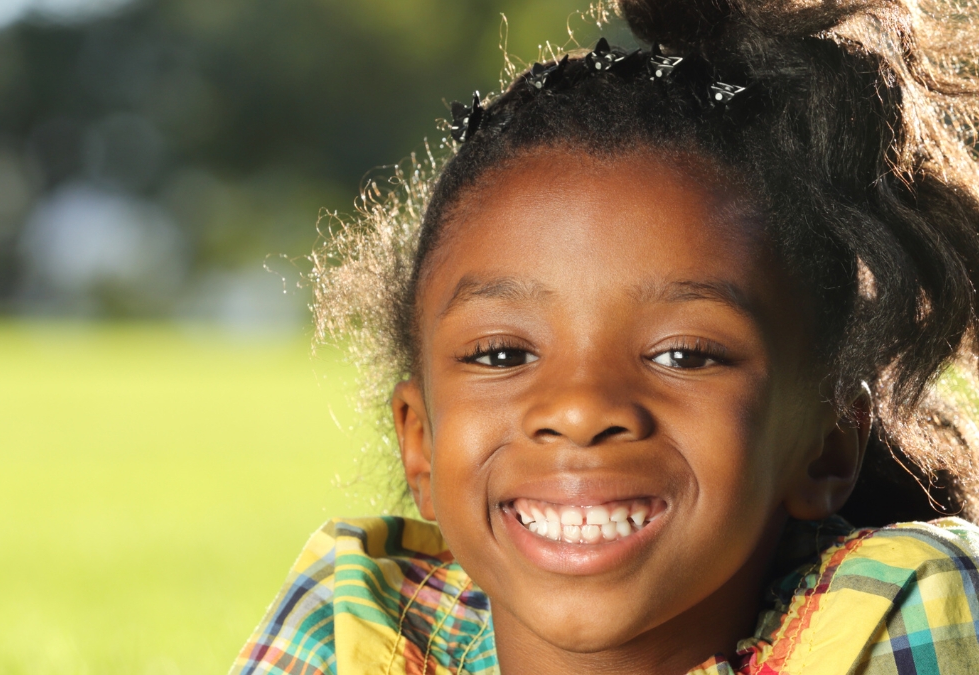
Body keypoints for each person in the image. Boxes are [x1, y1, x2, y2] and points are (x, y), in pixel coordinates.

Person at [232, 1, 979, 672]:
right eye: (503, 354)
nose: (582, 408)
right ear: (419, 438)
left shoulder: (898, 606)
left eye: (685, 353)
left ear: (827, 442)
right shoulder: (359, 622)